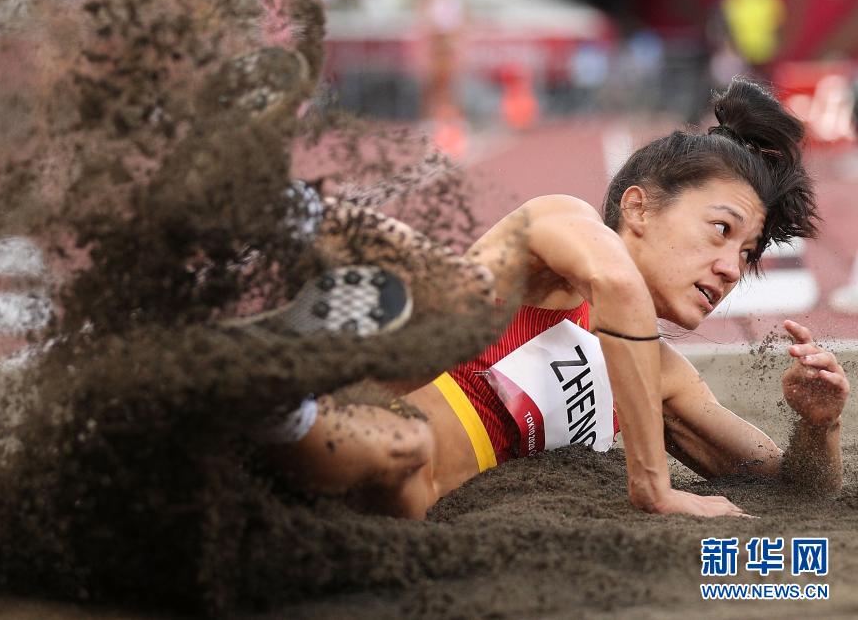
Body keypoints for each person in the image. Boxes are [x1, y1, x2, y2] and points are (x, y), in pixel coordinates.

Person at [265, 76, 849, 519]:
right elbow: (616, 284)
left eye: (747, 255)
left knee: (409, 453)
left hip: (388, 502)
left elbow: (788, 486)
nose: (730, 269)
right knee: (431, 356)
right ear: (639, 208)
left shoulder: (659, 375)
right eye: (720, 230)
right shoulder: (558, 227)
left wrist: (819, 426)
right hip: (349, 425)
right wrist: (654, 487)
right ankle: (304, 229)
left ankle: (279, 405)